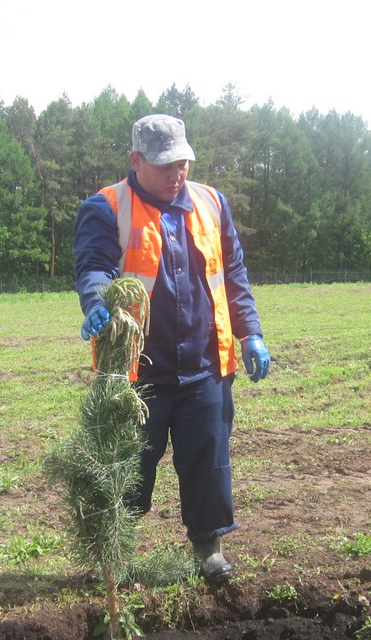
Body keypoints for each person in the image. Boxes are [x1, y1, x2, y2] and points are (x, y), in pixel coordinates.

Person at [73, 114, 270, 583]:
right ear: (135, 160)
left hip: (205, 366)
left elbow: (234, 276)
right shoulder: (106, 207)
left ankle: (210, 550)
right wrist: (97, 302)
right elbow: (94, 267)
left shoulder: (212, 203)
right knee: (128, 467)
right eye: (164, 165)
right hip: (136, 374)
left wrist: (251, 333)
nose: (175, 174)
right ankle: (115, 558)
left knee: (208, 462)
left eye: (181, 163)